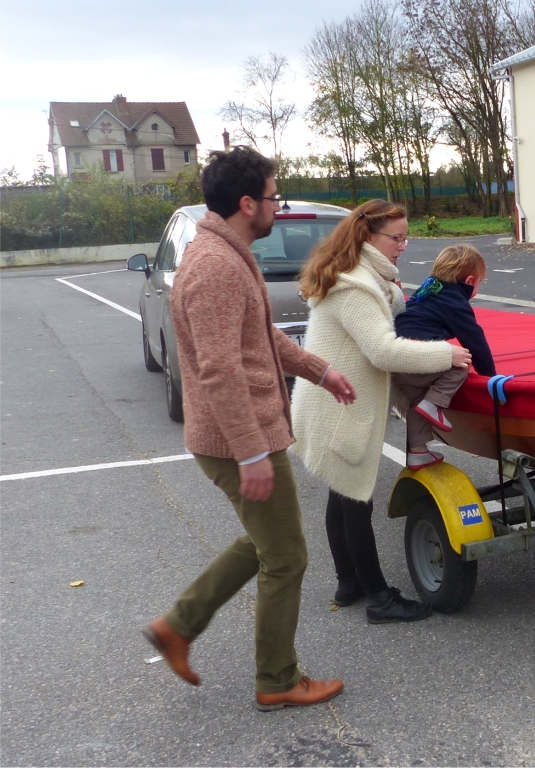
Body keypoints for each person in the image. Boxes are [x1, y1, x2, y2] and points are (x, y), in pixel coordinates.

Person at [142, 147, 356, 712]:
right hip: (239, 438)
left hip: (243, 436)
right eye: (272, 196)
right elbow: (218, 368)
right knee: (285, 555)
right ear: (246, 203)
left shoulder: (230, 253)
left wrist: (321, 369)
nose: (276, 207)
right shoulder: (214, 267)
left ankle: (178, 626)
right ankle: (277, 679)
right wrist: (250, 454)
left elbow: (259, 340)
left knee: (266, 541)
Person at [291, 200, 472, 624]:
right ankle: (378, 596)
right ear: (368, 236)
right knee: (356, 501)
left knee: (343, 496)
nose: (403, 245)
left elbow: (384, 322)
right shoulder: (354, 286)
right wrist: (445, 353)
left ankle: (349, 582)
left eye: (406, 237)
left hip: (332, 404)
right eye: (397, 237)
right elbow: (382, 350)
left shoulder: (365, 279)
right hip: (339, 411)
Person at [392, 244, 497, 468]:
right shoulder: (455, 302)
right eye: (479, 283)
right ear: (469, 281)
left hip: (397, 357)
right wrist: (490, 377)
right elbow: (474, 341)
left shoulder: (429, 288)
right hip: (418, 353)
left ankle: (417, 451)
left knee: (417, 401)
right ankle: (434, 403)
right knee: (459, 363)